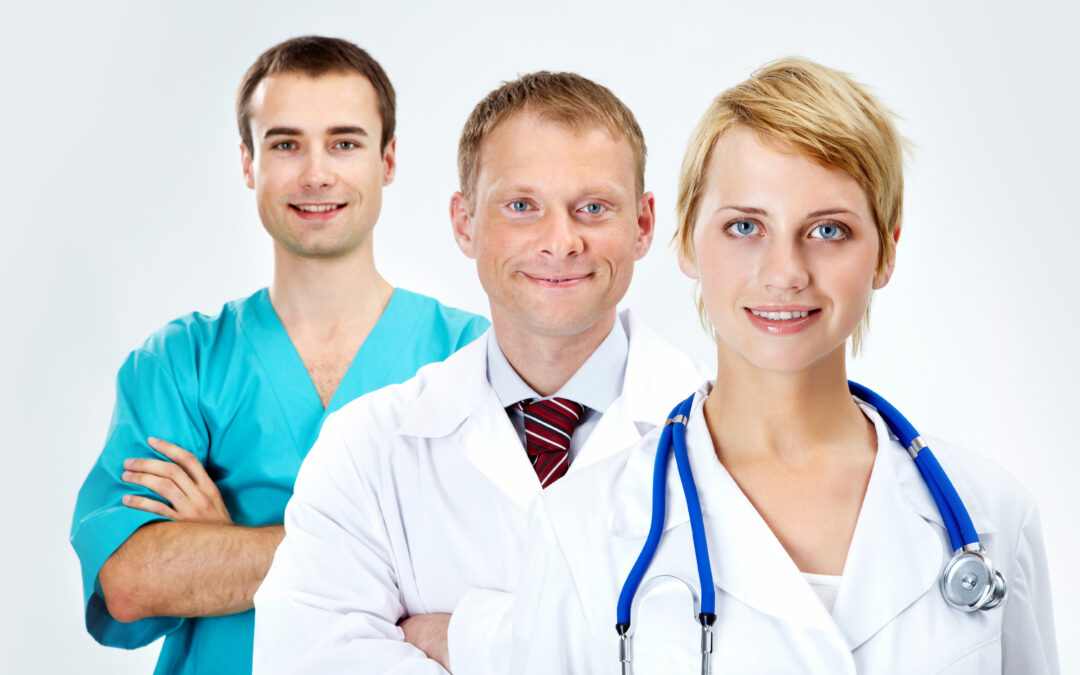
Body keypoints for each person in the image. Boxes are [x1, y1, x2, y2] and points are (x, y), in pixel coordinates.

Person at [509, 58, 1059, 674]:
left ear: (886, 252)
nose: (786, 272)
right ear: (688, 241)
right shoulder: (580, 526)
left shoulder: (992, 516)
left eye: (828, 230)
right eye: (745, 226)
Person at [252, 71, 704, 674]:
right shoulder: (365, 449)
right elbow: (304, 660)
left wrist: (468, 639)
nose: (560, 241)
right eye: (521, 207)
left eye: (593, 207)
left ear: (643, 225)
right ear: (464, 223)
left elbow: (759, 657)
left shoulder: (723, 437)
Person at [69, 36, 488, 675]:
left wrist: (220, 547)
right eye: (285, 143)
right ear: (248, 162)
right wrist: (391, 557)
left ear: (388, 159)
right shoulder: (180, 364)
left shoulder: (469, 355)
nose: (316, 172)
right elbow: (130, 582)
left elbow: (503, 573)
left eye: (344, 142)